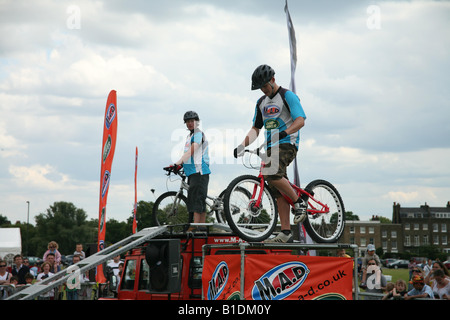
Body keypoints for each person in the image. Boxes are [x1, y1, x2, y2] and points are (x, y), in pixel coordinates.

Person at [234, 65, 307, 243]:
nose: (264, 90)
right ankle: (286, 232)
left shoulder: (287, 96)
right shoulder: (261, 103)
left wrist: (286, 132)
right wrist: (242, 145)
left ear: (273, 80)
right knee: (277, 189)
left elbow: (300, 120)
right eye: (261, 88)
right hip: (270, 147)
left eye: (265, 86)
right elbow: (256, 129)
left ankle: (299, 203)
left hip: (287, 143)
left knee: (271, 173)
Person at [173, 111, 211, 228]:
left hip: (200, 171)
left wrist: (178, 162)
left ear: (197, 122)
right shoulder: (189, 136)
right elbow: (188, 154)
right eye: (187, 121)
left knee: (197, 200)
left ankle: (195, 227)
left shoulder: (198, 134)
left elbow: (192, 150)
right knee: (198, 199)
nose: (190, 123)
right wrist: (179, 166)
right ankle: (201, 227)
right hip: (192, 172)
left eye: (192, 121)